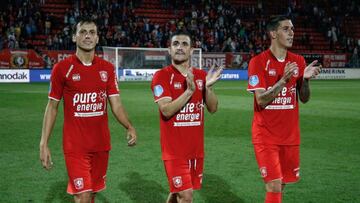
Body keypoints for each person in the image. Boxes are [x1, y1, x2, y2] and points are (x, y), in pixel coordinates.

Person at [39, 16, 137, 203]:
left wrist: (129, 126)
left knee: (91, 193)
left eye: (92, 32)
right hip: (75, 146)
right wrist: (44, 143)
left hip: (101, 145)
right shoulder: (62, 68)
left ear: (98, 38)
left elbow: (116, 104)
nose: (87, 36)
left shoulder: (107, 69)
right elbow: (52, 107)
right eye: (82, 32)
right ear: (74, 37)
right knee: (82, 195)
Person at [247, 15, 321, 203]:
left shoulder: (299, 60)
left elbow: (303, 98)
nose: (292, 33)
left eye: (293, 29)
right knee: (273, 184)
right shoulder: (258, 62)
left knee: (280, 185)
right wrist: (283, 81)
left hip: (290, 136)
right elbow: (261, 100)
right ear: (273, 33)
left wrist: (304, 80)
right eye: (286, 29)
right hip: (265, 135)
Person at [151, 31, 223, 203]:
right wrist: (190, 91)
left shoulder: (201, 76)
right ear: (169, 49)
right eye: (175, 44)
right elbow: (166, 110)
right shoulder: (161, 76)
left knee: (178, 193)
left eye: (184, 44)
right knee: (186, 195)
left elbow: (213, 108)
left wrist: (208, 88)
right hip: (174, 151)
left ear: (192, 50)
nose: (180, 47)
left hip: (195, 150)